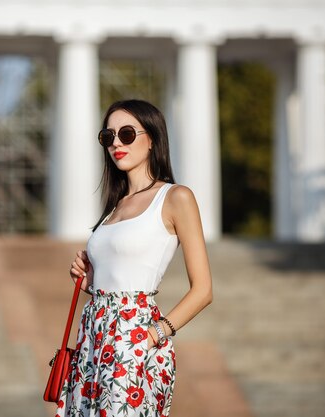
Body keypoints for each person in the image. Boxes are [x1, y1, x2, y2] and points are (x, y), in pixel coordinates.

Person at [55, 99, 213, 417]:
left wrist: (150, 336)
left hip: (134, 335)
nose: (116, 143)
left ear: (152, 137)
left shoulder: (175, 197)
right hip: (92, 336)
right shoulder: (115, 206)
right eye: (108, 136)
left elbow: (204, 290)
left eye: (127, 134)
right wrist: (92, 284)